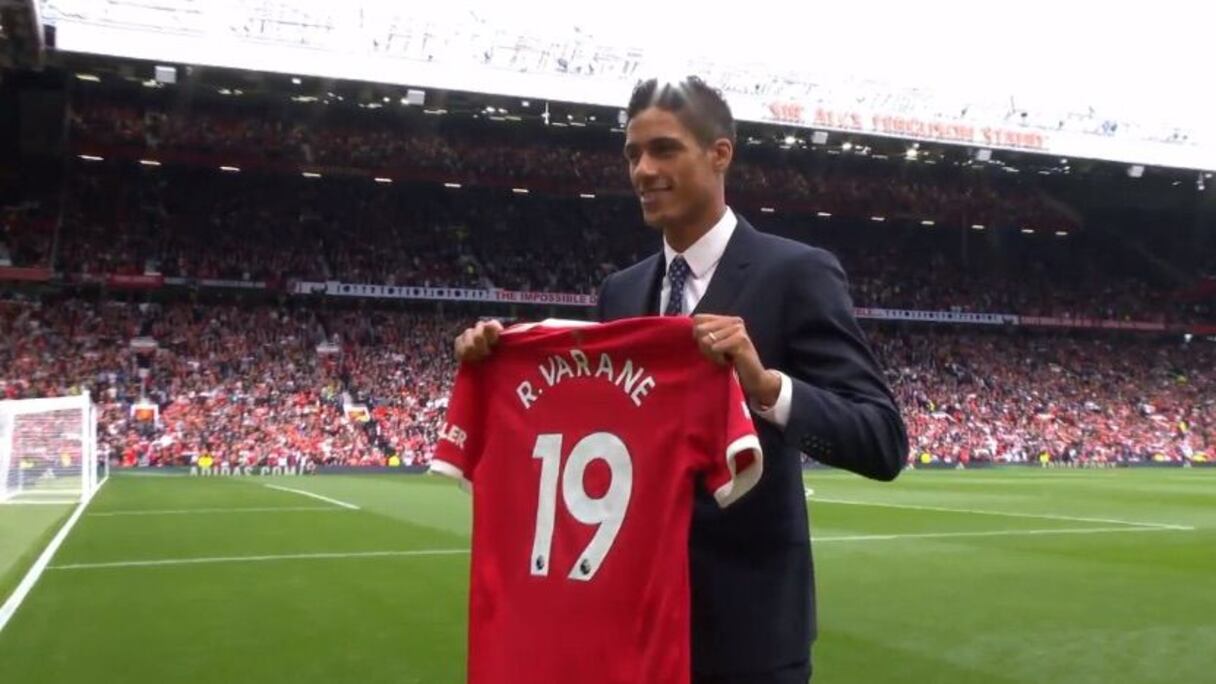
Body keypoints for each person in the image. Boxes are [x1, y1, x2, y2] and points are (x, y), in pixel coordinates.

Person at [454, 76, 908, 683]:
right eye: (632, 154)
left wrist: (765, 386)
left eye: (664, 150)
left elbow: (882, 440)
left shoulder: (797, 273)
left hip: (746, 636)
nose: (642, 170)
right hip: (630, 628)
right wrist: (497, 360)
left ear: (720, 154)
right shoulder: (620, 292)